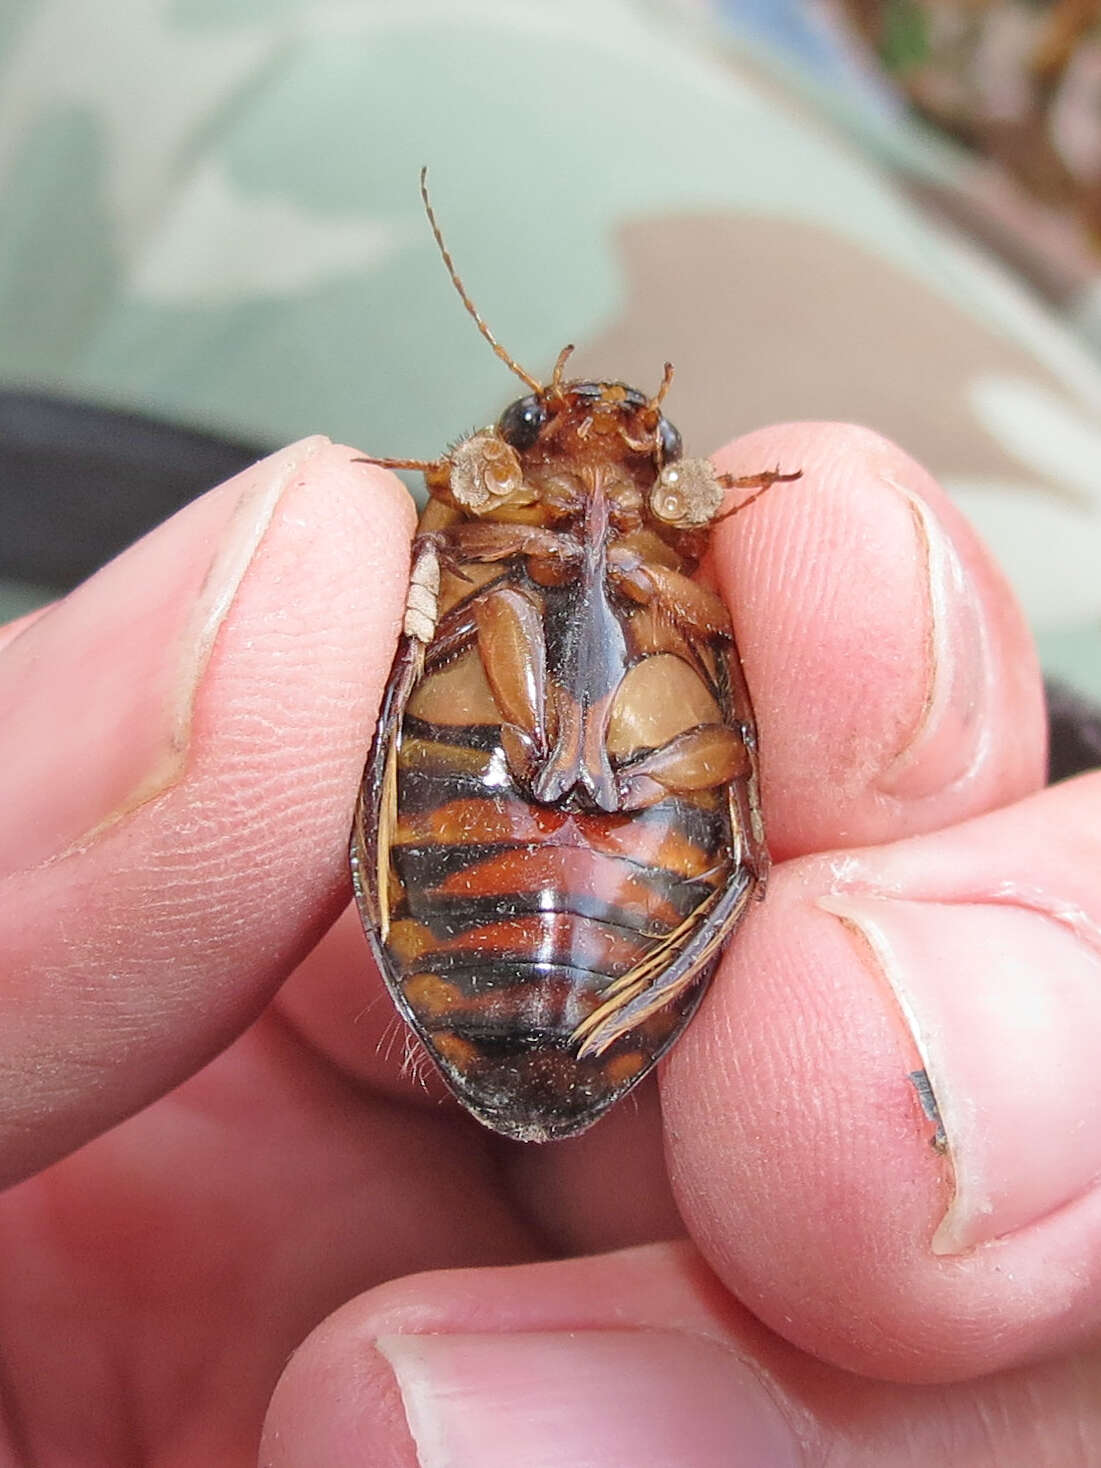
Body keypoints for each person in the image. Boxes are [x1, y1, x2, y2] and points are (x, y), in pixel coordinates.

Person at [1, 420, 1094, 1467]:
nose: (595, 481)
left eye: (643, 460)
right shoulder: (507, 561)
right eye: (547, 433)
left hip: (543, 878)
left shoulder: (691, 593)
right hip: (559, 856)